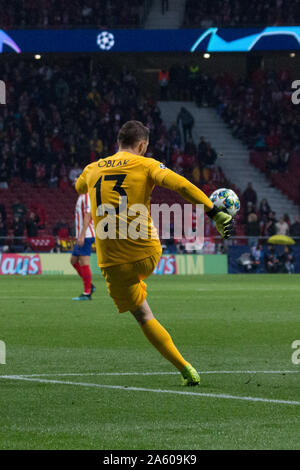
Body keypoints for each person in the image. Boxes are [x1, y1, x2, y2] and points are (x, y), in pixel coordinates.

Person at [75, 120, 233, 386]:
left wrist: (91, 181)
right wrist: (213, 211)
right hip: (147, 253)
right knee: (142, 271)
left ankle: (186, 369)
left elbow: (79, 187)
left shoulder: (92, 169)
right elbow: (180, 185)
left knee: (144, 316)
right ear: (142, 145)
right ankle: (186, 369)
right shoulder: (146, 164)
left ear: (117, 143)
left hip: (113, 264)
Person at [70, 193, 96, 301]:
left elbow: (88, 215)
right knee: (73, 260)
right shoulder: (81, 196)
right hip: (82, 235)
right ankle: (90, 286)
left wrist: (82, 234)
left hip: (86, 235)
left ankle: (87, 293)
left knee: (84, 262)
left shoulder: (87, 196)